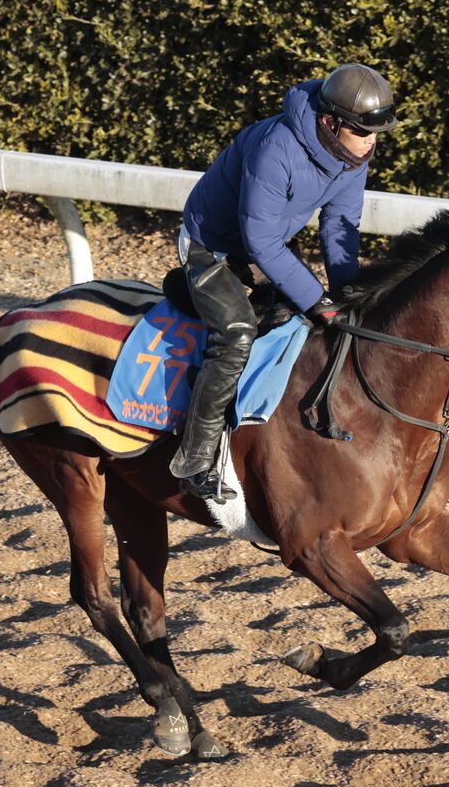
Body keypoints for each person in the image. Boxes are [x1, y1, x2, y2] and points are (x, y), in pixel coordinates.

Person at [170, 63, 398, 502]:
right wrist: (318, 300)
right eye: (363, 130)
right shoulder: (275, 148)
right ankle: (194, 460)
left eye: (377, 131)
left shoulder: (352, 154)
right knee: (237, 335)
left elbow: (339, 227)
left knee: (319, 323)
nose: (372, 140)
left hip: (262, 247)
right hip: (210, 248)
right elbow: (261, 240)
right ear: (330, 122)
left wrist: (346, 297)